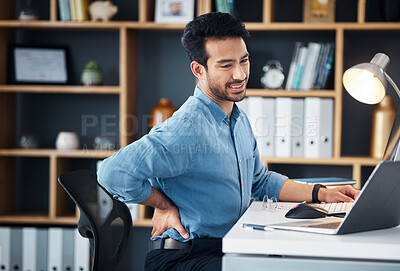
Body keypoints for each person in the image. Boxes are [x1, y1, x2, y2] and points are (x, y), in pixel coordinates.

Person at [98, 12, 360, 271]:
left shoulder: (237, 118)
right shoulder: (187, 129)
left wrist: (322, 194)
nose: (239, 74)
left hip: (226, 247)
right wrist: (162, 204)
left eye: (243, 61)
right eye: (226, 65)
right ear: (198, 69)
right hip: (185, 258)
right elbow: (111, 173)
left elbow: (259, 181)